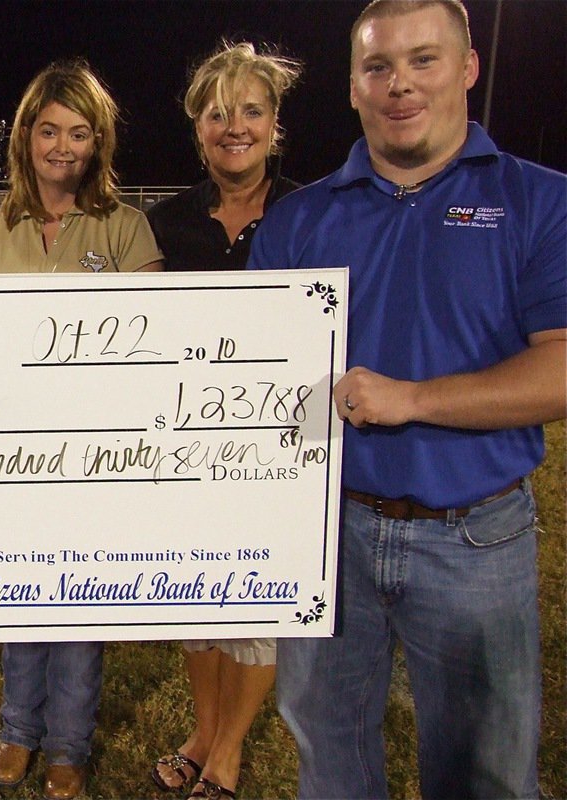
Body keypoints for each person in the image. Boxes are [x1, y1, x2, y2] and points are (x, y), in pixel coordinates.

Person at [248, 2, 565, 797]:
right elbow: (244, 378)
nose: (400, 85)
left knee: (484, 771)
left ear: (467, 68)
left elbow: (560, 370)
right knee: (329, 756)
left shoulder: (540, 202)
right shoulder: (298, 219)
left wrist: (414, 398)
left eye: (424, 61)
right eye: (378, 68)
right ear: (354, 87)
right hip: (327, 534)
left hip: (475, 538)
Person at [0, 60, 162, 800]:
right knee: (22, 590)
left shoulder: (126, 226)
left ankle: (67, 744)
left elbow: (150, 341)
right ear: (26, 138)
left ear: (98, 142)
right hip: (14, 453)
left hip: (96, 453)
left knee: (80, 600)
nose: (61, 147)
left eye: (78, 133)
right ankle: (17, 729)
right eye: (48, 130)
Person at [144, 41, 301, 800]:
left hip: (277, 450)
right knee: (198, 602)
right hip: (187, 448)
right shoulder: (167, 221)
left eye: (250, 110)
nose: (233, 125)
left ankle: (230, 752)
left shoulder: (310, 211)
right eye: (217, 113)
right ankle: (202, 730)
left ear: (275, 123)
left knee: (257, 605)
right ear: (197, 126)